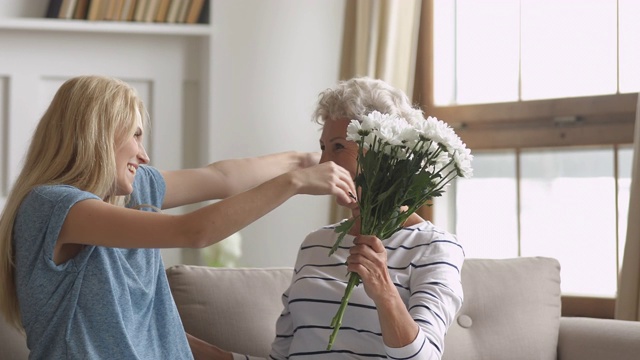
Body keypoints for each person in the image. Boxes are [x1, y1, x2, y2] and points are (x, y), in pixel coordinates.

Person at [0, 75, 357, 359]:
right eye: (136, 135)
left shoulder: (132, 191)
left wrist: (311, 160)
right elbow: (192, 231)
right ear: (99, 135)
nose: (144, 155)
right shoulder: (53, 206)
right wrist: (294, 182)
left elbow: (222, 178)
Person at [204, 77, 465, 360]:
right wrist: (199, 349)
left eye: (338, 147)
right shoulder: (316, 244)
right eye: (323, 148)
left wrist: (384, 291)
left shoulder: (435, 248)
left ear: (385, 153)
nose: (323, 163)